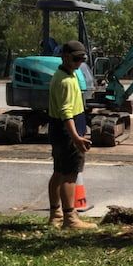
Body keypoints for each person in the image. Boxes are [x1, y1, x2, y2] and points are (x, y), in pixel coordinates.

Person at [47, 41, 97, 229]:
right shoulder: (66, 81)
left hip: (59, 130)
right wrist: (76, 137)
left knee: (59, 172)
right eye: (76, 59)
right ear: (64, 57)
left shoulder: (64, 74)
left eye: (82, 59)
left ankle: (55, 215)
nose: (79, 63)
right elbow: (66, 111)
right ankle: (70, 218)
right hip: (68, 132)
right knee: (70, 175)